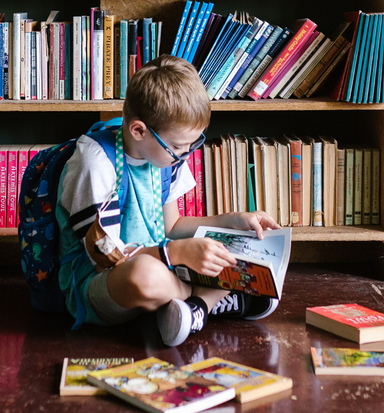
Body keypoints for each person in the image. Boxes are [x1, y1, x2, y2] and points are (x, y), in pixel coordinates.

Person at [56, 54, 281, 347]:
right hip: (103, 281)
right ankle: (207, 301)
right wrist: (176, 254)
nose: (185, 154)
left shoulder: (165, 154)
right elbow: (104, 257)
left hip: (165, 263)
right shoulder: (95, 163)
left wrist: (233, 221)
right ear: (139, 130)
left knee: (235, 245)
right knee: (144, 276)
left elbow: (172, 225)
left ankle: (187, 309)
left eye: (192, 144)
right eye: (178, 146)